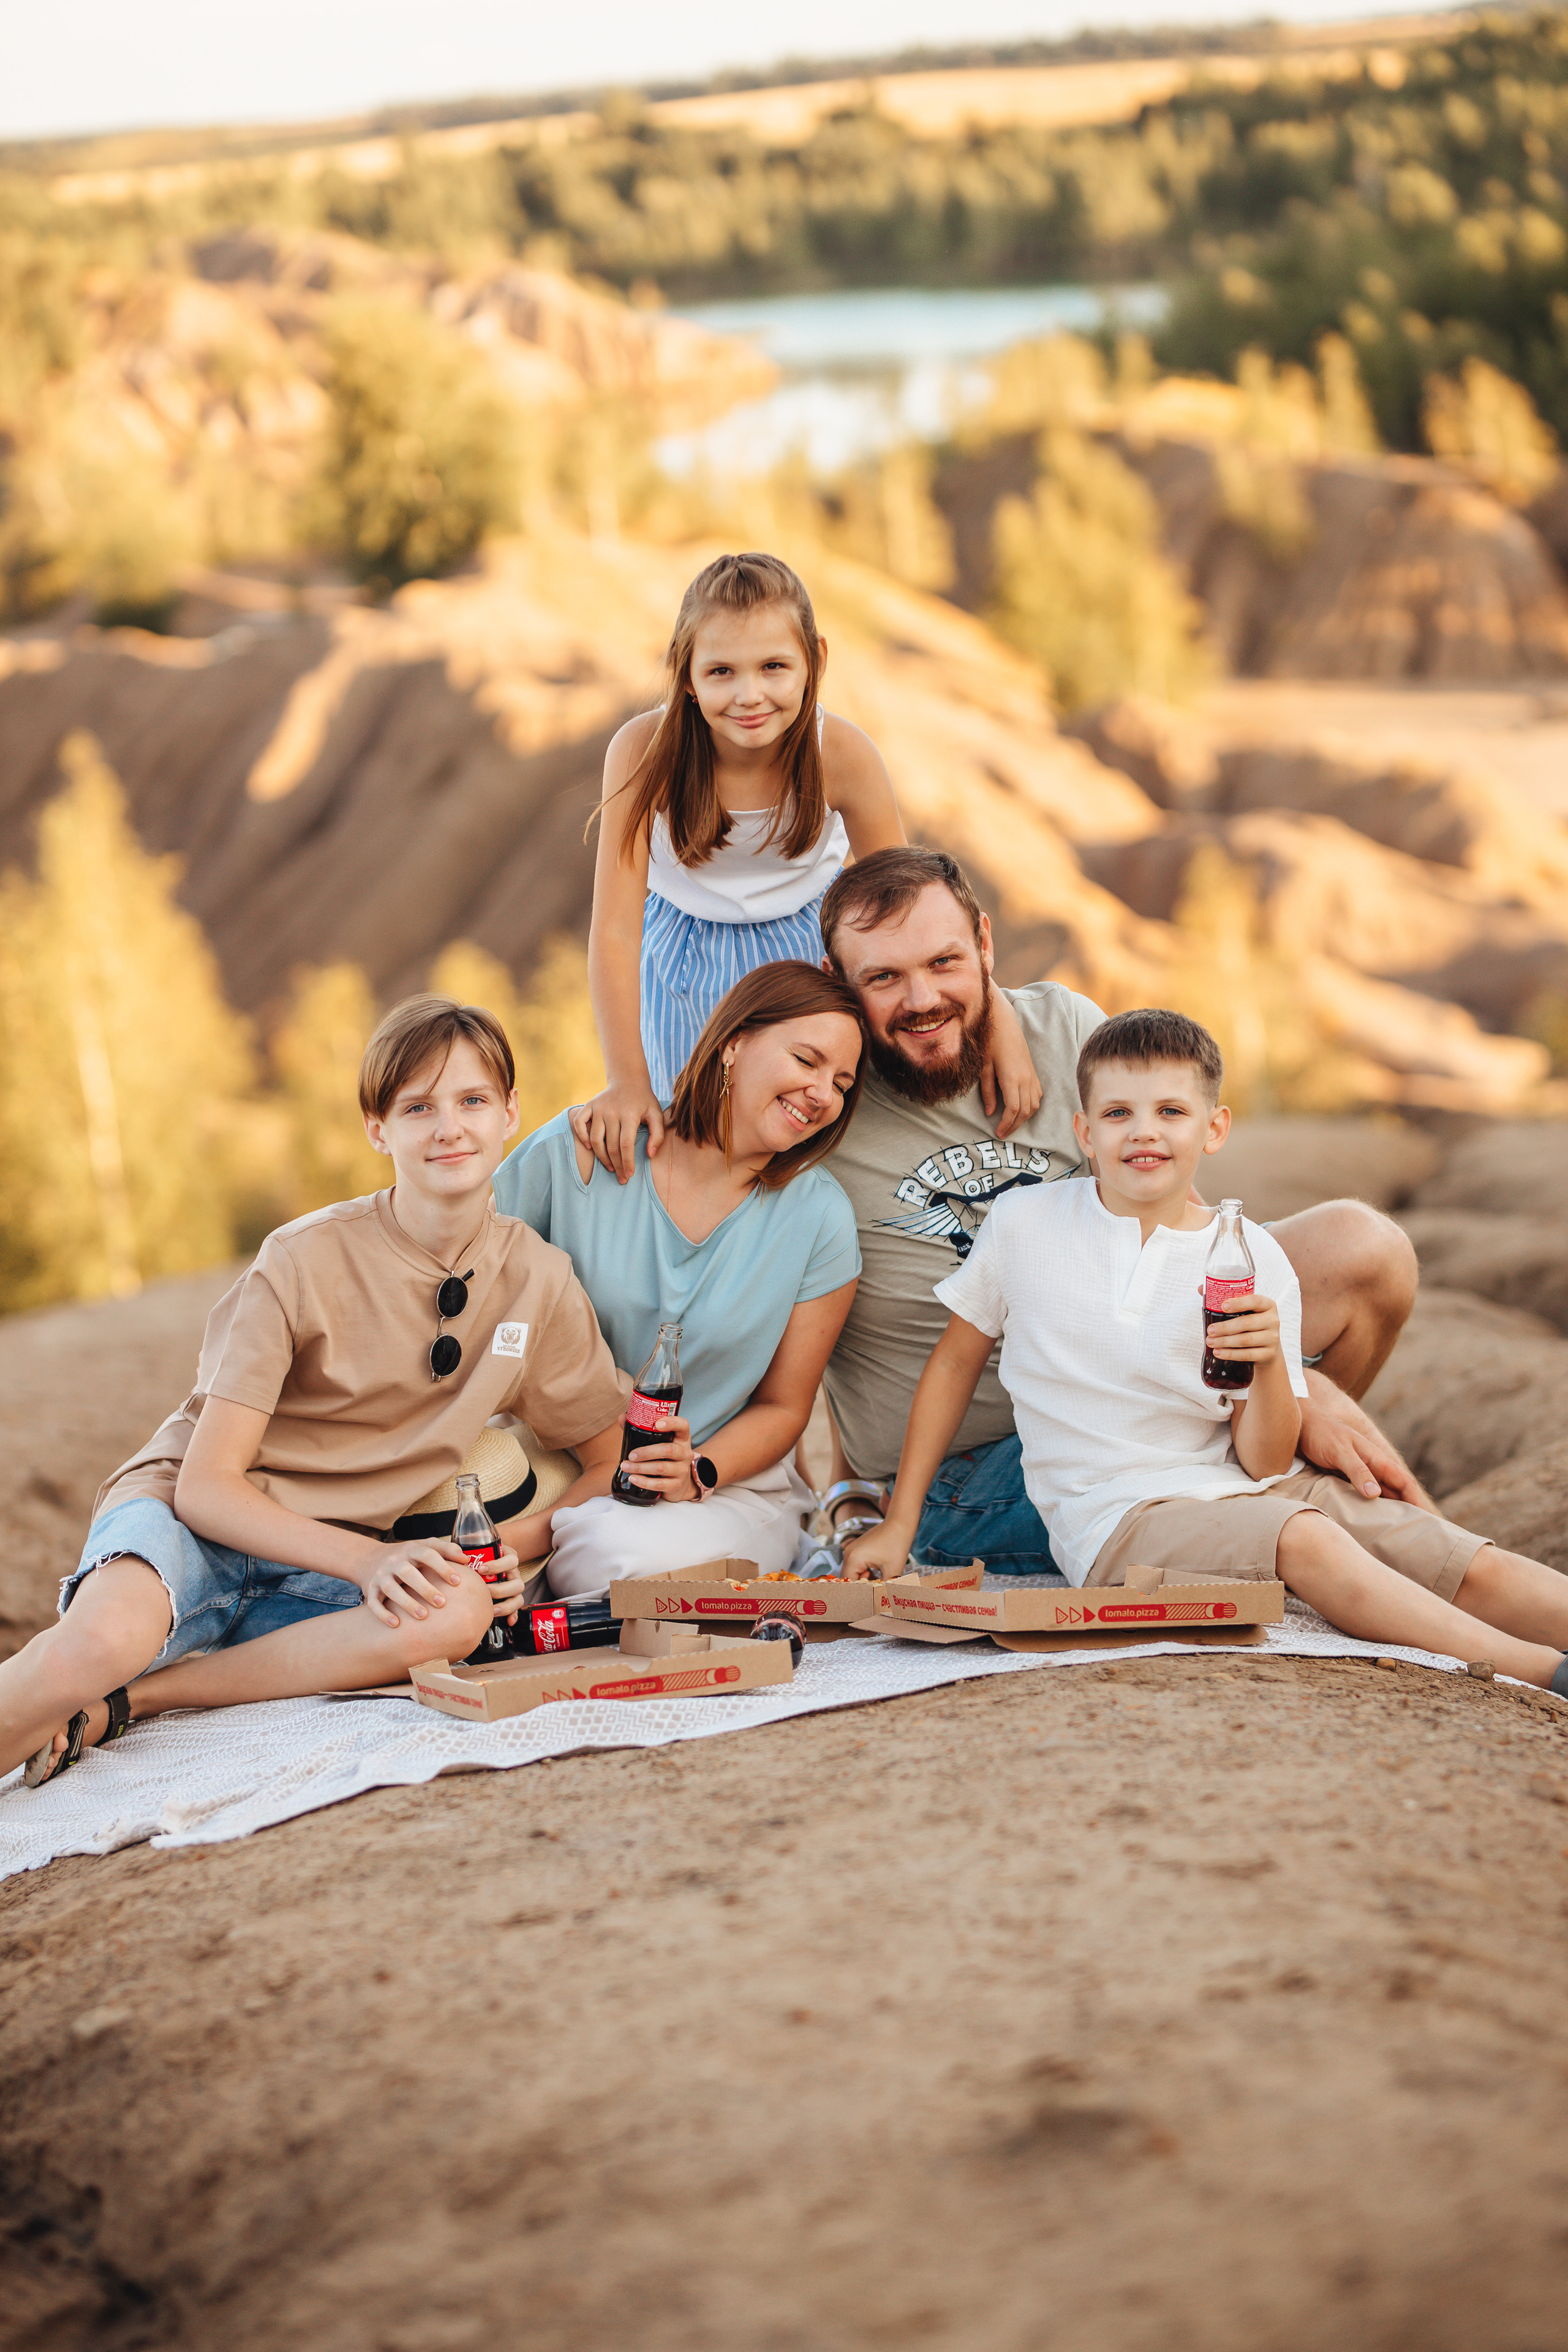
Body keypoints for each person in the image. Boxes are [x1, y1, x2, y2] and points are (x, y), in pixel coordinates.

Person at [843, 1008, 1568, 1695]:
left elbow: (1264, 1459)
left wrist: (1272, 1365)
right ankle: (1542, 1673)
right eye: (1118, 1113)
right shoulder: (1024, 1222)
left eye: (1171, 1111)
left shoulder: (1248, 1256)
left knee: (1445, 1552)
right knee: (1306, 1540)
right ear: (1083, 1131)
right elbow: (954, 1364)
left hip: (1246, 1484)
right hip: (1118, 1516)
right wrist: (900, 1523)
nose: (1144, 1133)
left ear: (1213, 1128)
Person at [3, 997, 630, 1790]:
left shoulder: (539, 1281)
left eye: (472, 1100)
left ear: (509, 1112)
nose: (449, 1128)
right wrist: (370, 1561)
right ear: (378, 1129)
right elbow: (206, 1488)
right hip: (193, 1524)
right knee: (98, 1645)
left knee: (459, 1612)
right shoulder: (300, 1259)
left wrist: (514, 1544)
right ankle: (107, 1671)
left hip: (326, 1568)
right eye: (418, 1107)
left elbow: (610, 1461)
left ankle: (137, 1700)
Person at [813, 847, 1423, 1570]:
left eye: (943, 962)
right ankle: (1344, 1519)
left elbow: (1179, 1221)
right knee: (1317, 1481)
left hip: (1144, 1388)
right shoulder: (821, 1102)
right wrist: (845, 1491)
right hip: (979, 1464)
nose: (921, 999)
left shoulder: (1060, 1029)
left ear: (983, 944)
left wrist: (1292, 1393)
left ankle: (1306, 1479)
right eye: (883, 977)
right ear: (839, 981)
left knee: (1365, 1248)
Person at [573, 549, 1042, 1185]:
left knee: (818, 1137)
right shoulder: (642, 751)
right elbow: (615, 929)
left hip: (808, 960)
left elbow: (912, 913)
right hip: (685, 963)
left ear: (814, 661)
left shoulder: (840, 753)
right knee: (700, 1141)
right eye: (721, 672)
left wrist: (999, 1015)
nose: (750, 695)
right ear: (686, 675)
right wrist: (626, 1079)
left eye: (774, 667)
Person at [493, 961, 866, 1597]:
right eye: (806, 1060)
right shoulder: (582, 1152)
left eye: (841, 1084)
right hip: (546, 1469)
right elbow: (471, 1292)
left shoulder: (821, 1218)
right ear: (734, 1043)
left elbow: (784, 1408)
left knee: (605, 1556)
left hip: (718, 1493)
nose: (822, 1094)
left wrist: (698, 1469)